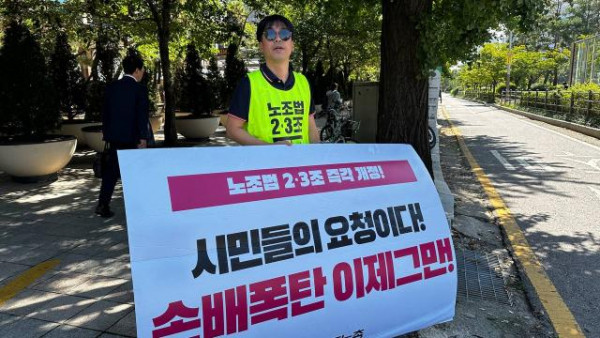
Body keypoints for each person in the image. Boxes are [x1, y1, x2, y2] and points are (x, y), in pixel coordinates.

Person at [226, 14, 320, 145]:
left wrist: (317, 157)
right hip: (265, 164)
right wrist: (270, 149)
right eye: (270, 34)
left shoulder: (303, 82)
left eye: (284, 34)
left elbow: (311, 127)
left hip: (301, 163)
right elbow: (232, 129)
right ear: (261, 46)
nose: (277, 38)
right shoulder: (249, 84)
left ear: (292, 45)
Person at [95, 51, 151, 218]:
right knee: (134, 173)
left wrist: (106, 132)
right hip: (132, 138)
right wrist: (143, 137)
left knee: (111, 172)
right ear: (136, 70)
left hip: (114, 138)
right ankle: (138, 208)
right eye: (142, 70)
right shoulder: (139, 89)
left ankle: (102, 204)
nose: (143, 73)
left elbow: (105, 113)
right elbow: (142, 116)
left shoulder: (112, 87)